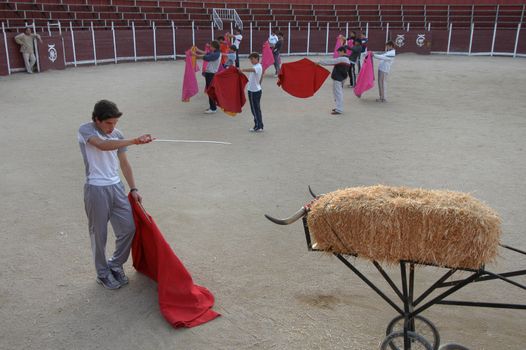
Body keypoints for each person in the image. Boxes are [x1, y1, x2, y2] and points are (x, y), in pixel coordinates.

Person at [78, 100, 154, 290]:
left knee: (128, 228)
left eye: (115, 123)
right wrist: (135, 140)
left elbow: (125, 164)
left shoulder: (118, 135)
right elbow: (103, 146)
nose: (113, 127)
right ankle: (102, 273)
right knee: (99, 234)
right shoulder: (85, 130)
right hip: (95, 189)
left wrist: (134, 189)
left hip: (117, 187)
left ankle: (115, 264)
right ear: (96, 120)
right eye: (108, 123)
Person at [318, 46, 350, 115]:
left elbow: (331, 61)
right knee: (337, 93)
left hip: (338, 78)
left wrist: (319, 62)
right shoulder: (345, 59)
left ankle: (339, 109)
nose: (338, 53)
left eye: (339, 52)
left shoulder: (342, 59)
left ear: (342, 51)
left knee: (338, 93)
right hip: (341, 77)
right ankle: (338, 107)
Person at [193, 41, 221, 114]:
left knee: (210, 91)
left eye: (211, 46)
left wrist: (195, 55)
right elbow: (206, 53)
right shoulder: (216, 52)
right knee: (210, 90)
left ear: (214, 47)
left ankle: (213, 108)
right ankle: (213, 106)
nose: (210, 47)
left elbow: (207, 57)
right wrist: (198, 50)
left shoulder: (216, 54)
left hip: (211, 74)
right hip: (210, 73)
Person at [240, 53, 263, 132]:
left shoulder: (257, 66)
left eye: (252, 59)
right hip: (255, 89)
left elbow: (252, 70)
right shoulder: (258, 66)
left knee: (255, 109)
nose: (251, 61)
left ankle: (257, 126)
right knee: (256, 109)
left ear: (256, 58)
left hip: (254, 91)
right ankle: (260, 125)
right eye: (250, 59)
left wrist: (242, 70)